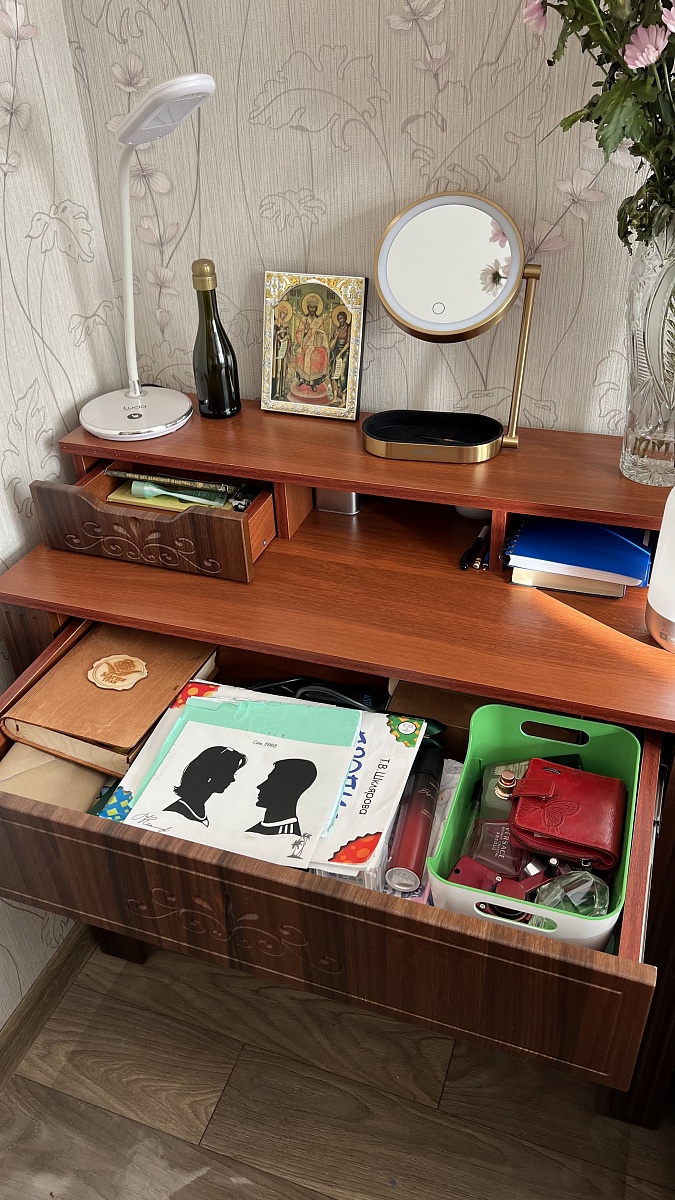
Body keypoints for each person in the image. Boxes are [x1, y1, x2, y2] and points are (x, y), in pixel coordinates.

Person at [165, 745, 246, 826]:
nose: (232, 779)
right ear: (210, 774)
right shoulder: (175, 814)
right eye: (228, 774)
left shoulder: (198, 810)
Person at [247, 758, 318, 836]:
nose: (260, 786)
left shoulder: (289, 836)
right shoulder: (253, 831)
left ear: (288, 790)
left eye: (271, 781)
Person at [293, 294, 329, 391]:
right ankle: (302, 379)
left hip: (316, 344)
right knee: (301, 353)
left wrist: (318, 334)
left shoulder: (319, 321)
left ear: (316, 308)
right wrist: (306, 331)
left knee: (320, 354)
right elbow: (299, 333)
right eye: (310, 307)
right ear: (307, 308)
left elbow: (323, 332)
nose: (312, 309)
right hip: (305, 344)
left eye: (314, 307)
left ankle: (313, 382)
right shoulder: (304, 320)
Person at [329, 308, 351, 404]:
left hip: (345, 352)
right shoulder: (337, 330)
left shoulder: (348, 328)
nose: (340, 321)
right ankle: (335, 397)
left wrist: (340, 353)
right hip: (336, 353)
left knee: (342, 376)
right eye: (338, 319)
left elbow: (348, 343)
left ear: (345, 318)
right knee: (334, 375)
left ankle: (344, 400)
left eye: (341, 318)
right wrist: (336, 336)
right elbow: (331, 347)